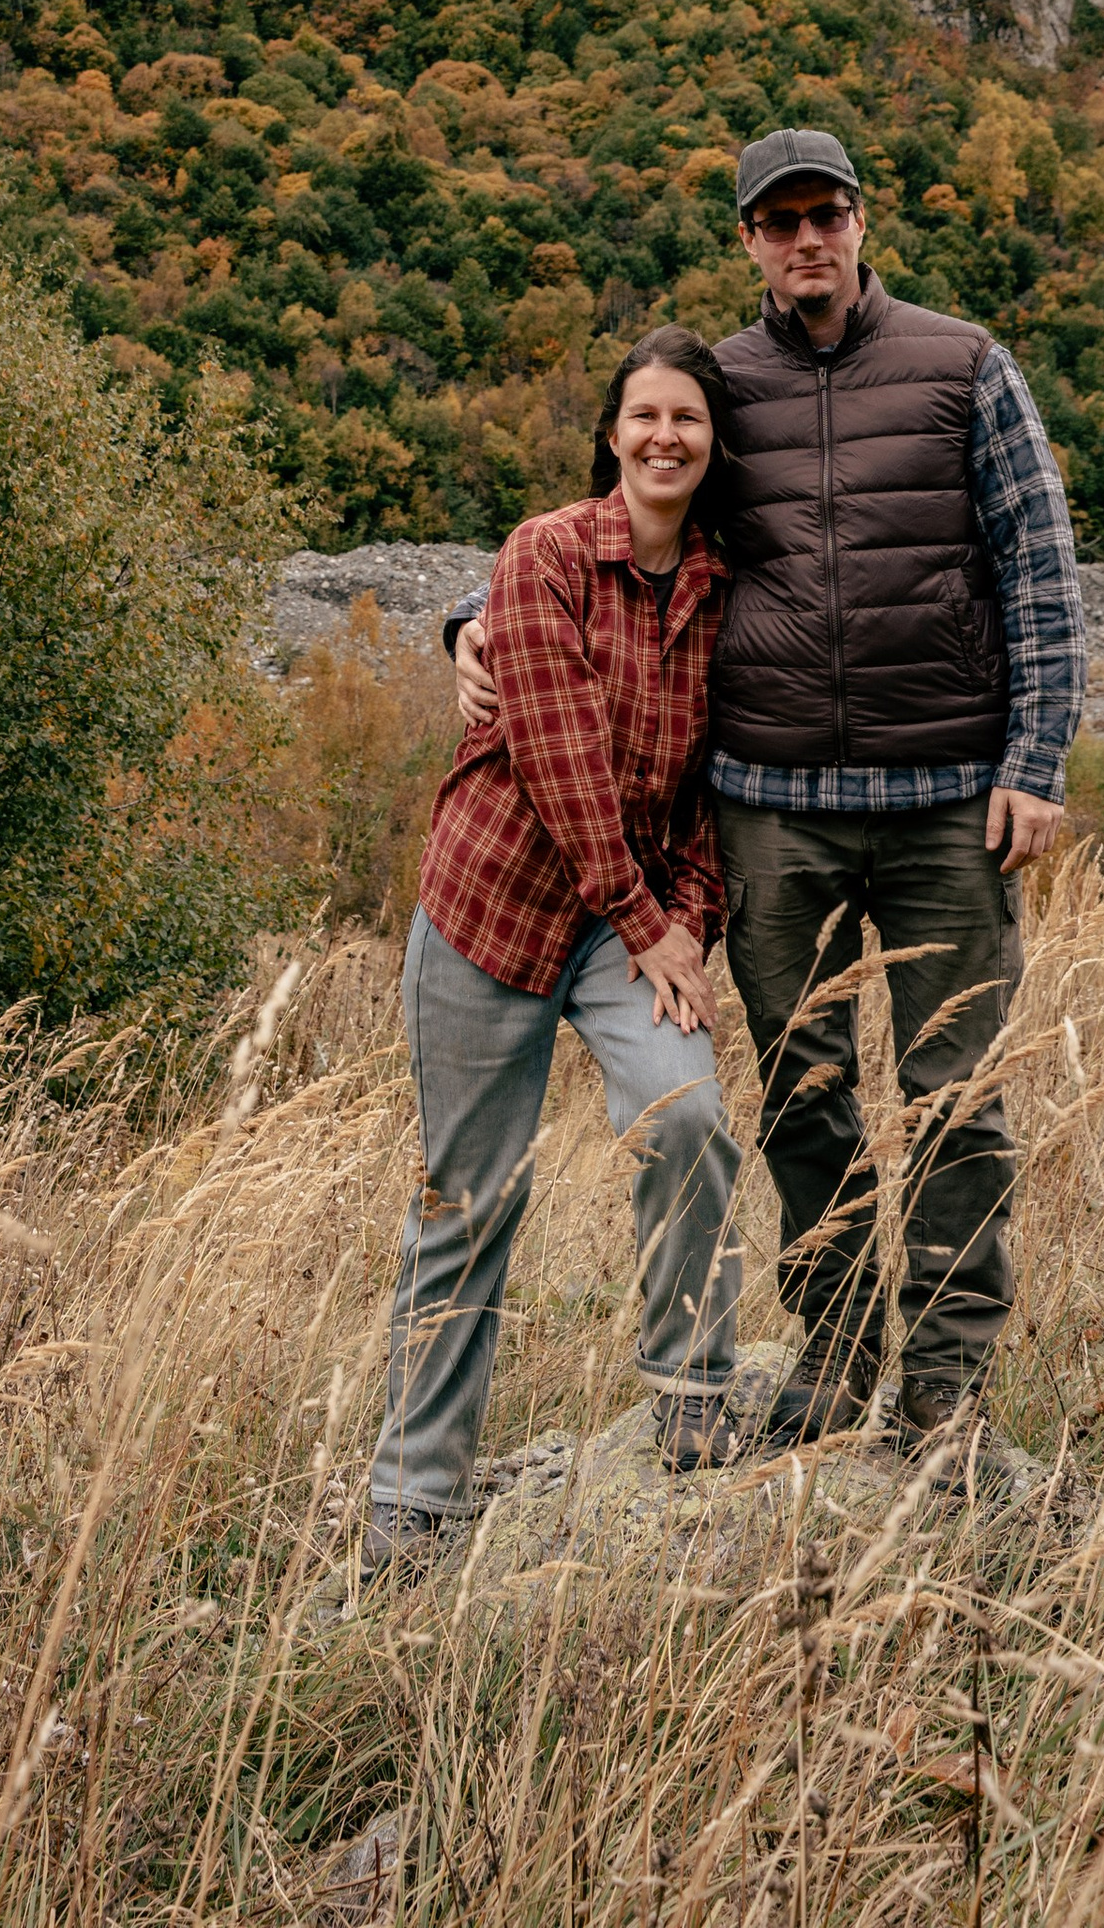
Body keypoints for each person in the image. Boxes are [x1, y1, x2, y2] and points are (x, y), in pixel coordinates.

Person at [448, 126, 1084, 1453]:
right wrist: (469, 620)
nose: (807, 238)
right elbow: (616, 524)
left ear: (861, 221)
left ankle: (948, 1388)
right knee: (804, 1094)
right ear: (749, 239)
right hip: (773, 808)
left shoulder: (966, 365)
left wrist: (1037, 762)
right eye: (780, 219)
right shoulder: (721, 385)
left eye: (826, 212)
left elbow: (1042, 568)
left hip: (948, 806)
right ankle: (839, 1353)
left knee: (953, 1100)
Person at [363, 326, 744, 1587]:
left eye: (685, 418)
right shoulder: (541, 555)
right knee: (469, 1206)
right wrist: (651, 924)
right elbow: (563, 761)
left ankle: (691, 1391)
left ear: (710, 440)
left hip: (626, 919)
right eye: (643, 416)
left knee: (688, 1118)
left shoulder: (720, 588)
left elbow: (710, 793)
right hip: (494, 909)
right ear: (612, 434)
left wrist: (690, 918)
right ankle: (413, 1502)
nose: (663, 438)